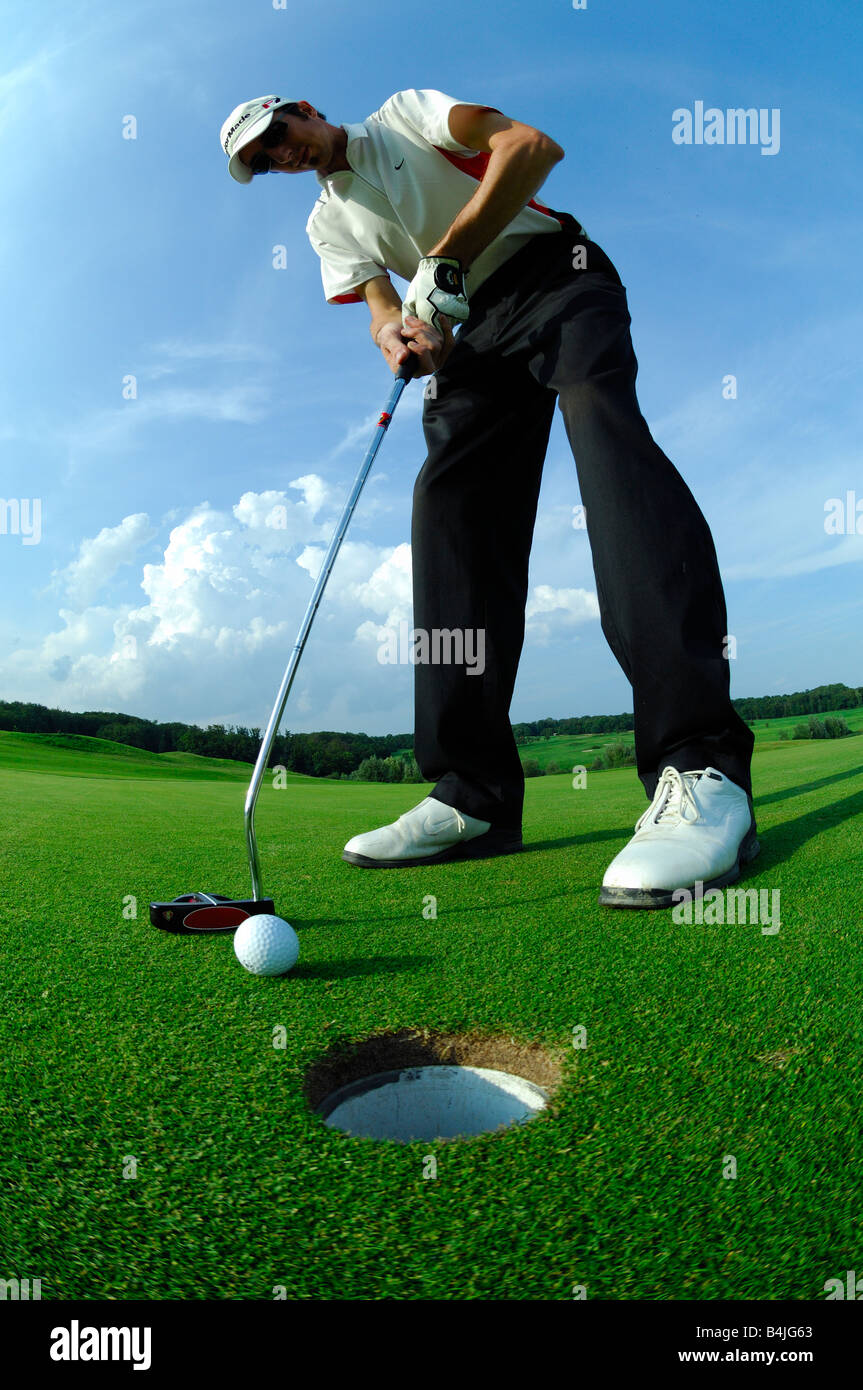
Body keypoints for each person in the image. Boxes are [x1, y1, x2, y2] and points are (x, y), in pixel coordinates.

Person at [220, 88, 759, 908]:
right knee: (448, 512)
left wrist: (448, 253)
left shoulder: (404, 116)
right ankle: (469, 793)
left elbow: (532, 148)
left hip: (557, 278)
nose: (278, 154)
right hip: (473, 334)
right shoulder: (326, 224)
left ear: (303, 108)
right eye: (261, 160)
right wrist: (394, 330)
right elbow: (380, 306)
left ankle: (700, 765)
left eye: (276, 134)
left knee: (608, 452)